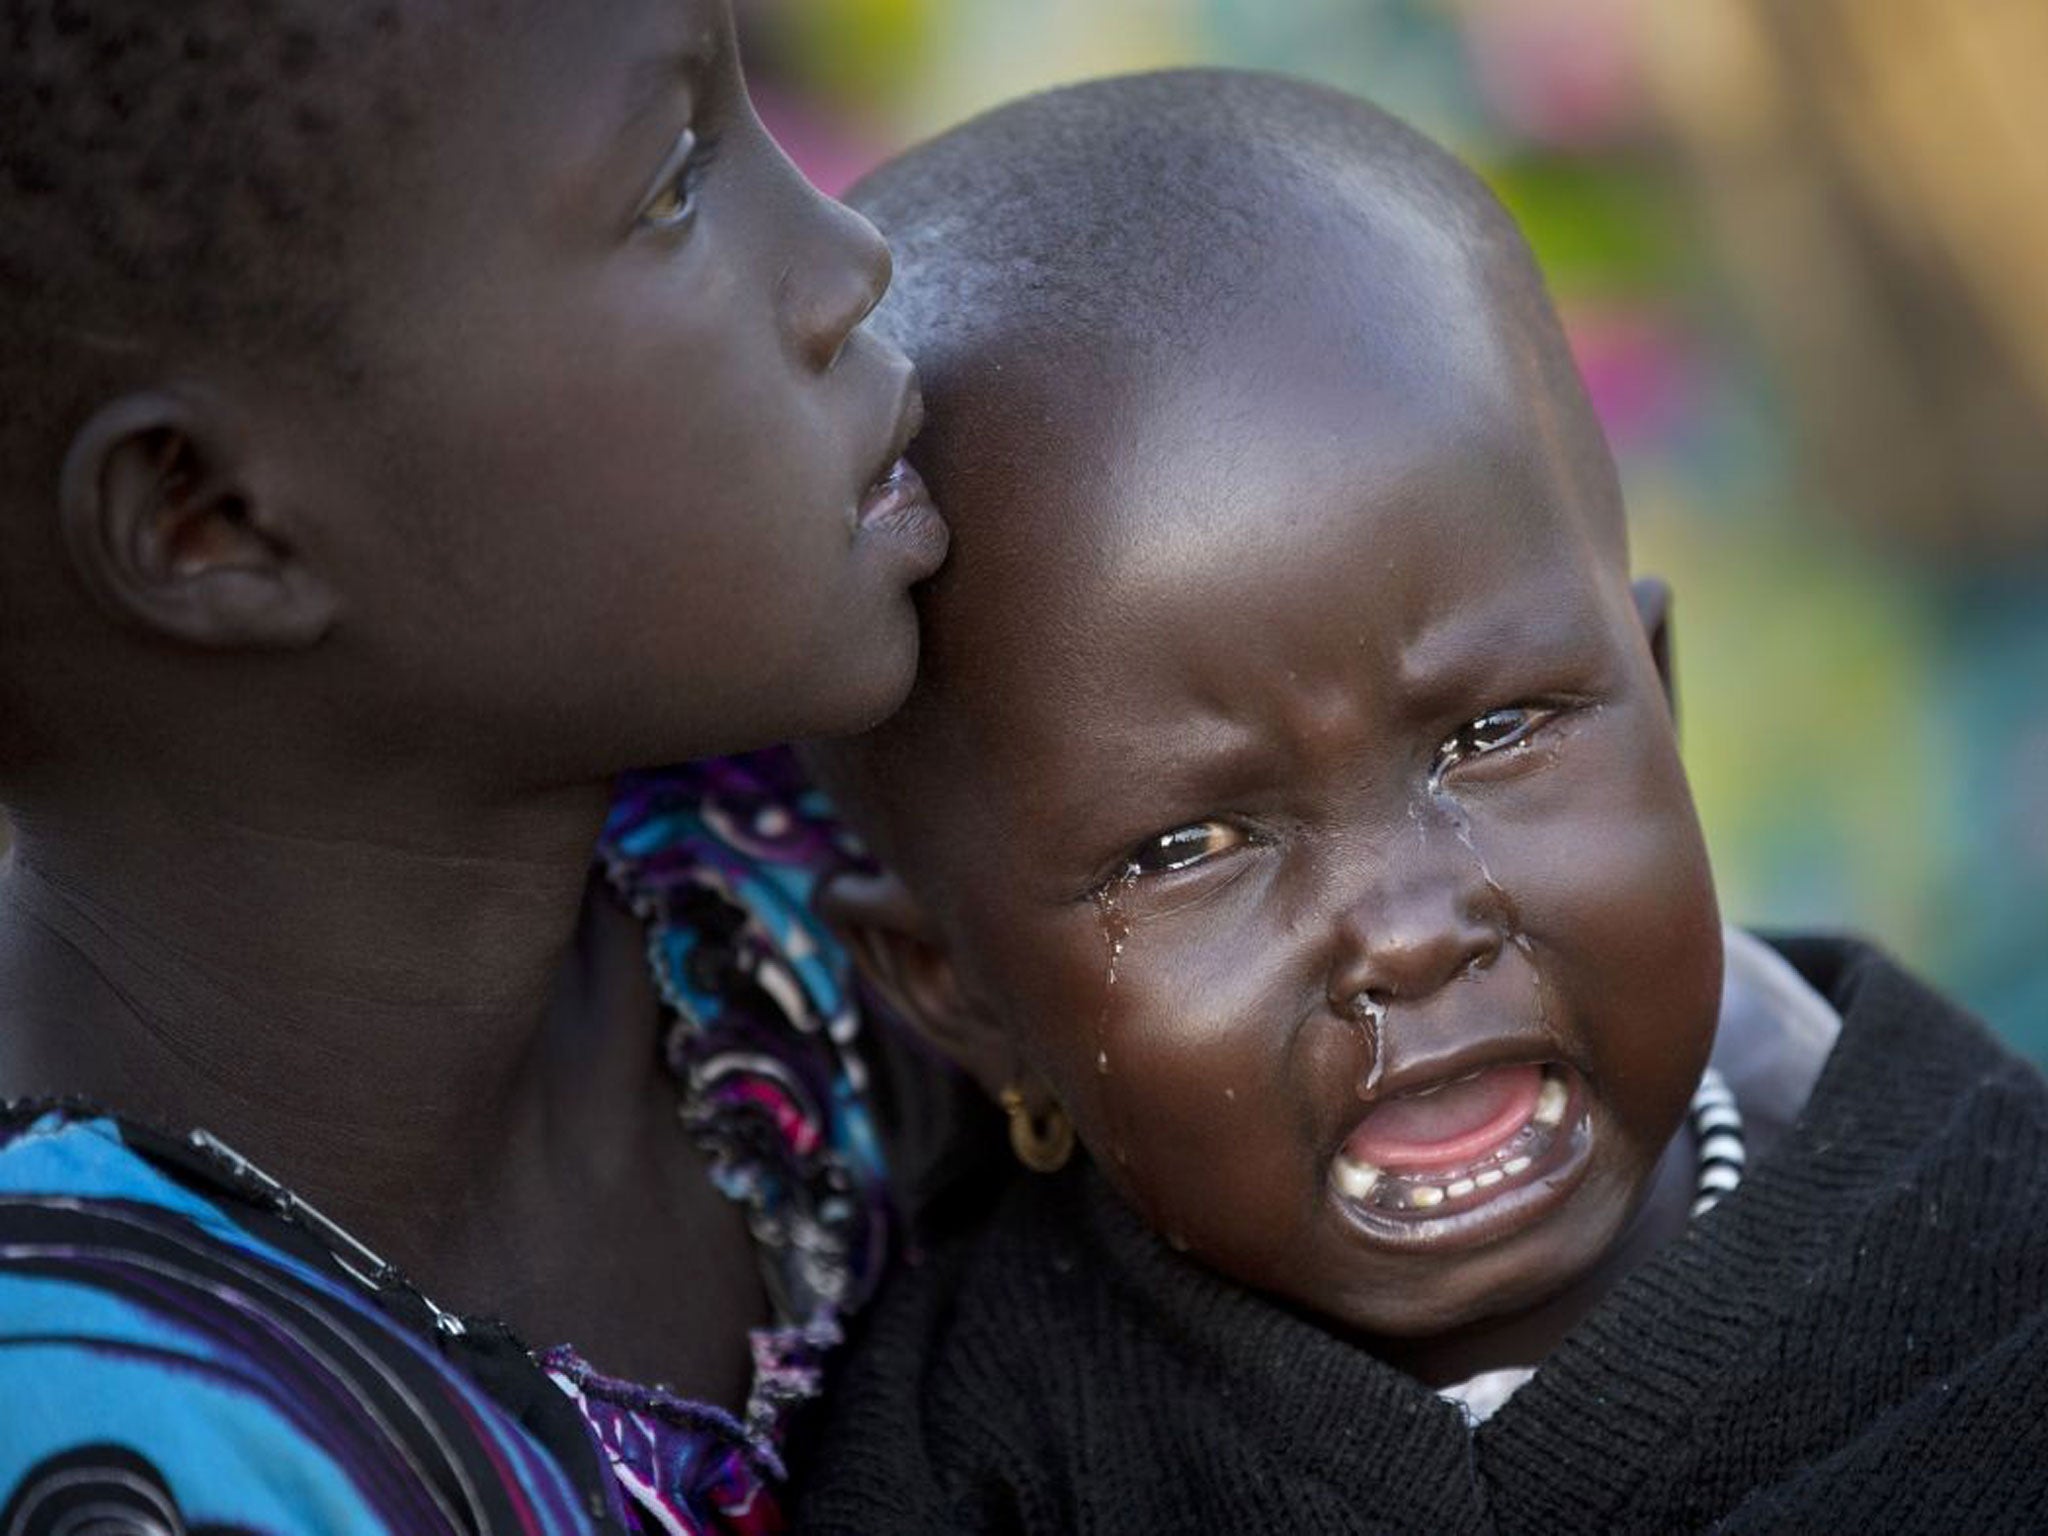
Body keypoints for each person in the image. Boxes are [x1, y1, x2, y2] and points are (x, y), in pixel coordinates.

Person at [792, 70, 2048, 1532]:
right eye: (1189, 845)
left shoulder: (2001, 1272)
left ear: (1659, 693)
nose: (1408, 930)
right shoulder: (975, 1461)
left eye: (1496, 732)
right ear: (953, 987)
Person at [0, 1, 947, 1529]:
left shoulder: (825, 829)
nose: (851, 261)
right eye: (672, 184)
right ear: (210, 520)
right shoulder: (93, 1435)